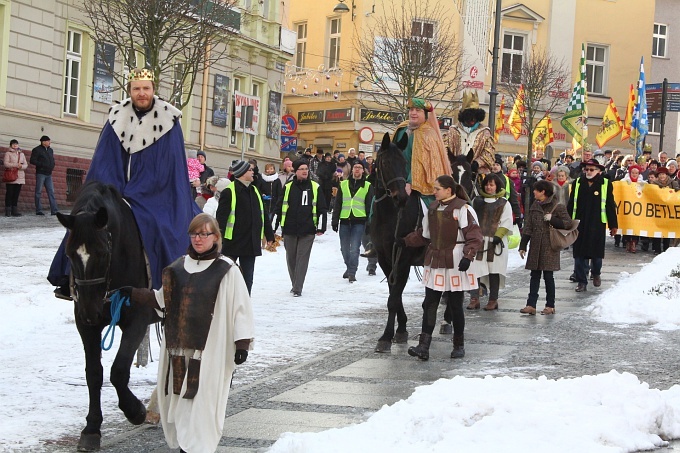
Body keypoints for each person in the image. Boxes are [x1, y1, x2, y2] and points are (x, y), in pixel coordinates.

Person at [48, 68, 201, 298]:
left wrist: (141, 190)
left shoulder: (169, 121)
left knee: (162, 227)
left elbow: (169, 167)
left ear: (153, 90)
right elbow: (104, 161)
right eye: (136, 89)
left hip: (155, 193)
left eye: (146, 88)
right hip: (117, 189)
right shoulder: (116, 118)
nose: (141, 93)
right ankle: (69, 280)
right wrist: (110, 193)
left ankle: (169, 285)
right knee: (85, 221)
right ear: (130, 91)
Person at [112, 213, 254, 453]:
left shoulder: (228, 270)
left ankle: (197, 448)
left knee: (203, 406)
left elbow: (241, 308)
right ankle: (186, 448)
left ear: (216, 237)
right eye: (194, 234)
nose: (198, 239)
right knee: (179, 404)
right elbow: (162, 300)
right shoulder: (177, 267)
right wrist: (133, 293)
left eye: (204, 234)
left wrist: (241, 344)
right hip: (178, 350)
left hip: (210, 352)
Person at [401, 175, 483, 360]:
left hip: (456, 259)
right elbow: (425, 234)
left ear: (449, 190)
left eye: (437, 188)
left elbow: (475, 235)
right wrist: (405, 241)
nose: (434, 192)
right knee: (430, 303)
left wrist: (468, 256)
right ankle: (423, 347)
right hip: (436, 259)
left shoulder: (463, 209)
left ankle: (458, 345)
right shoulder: (432, 208)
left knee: (455, 305)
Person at [216, 160, 274, 295]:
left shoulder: (254, 190)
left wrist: (269, 234)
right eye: (250, 170)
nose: (253, 172)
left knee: (248, 278)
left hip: (250, 242)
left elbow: (263, 214)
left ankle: (244, 305)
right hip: (232, 243)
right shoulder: (229, 192)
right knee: (227, 276)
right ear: (241, 173)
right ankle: (226, 303)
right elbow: (221, 219)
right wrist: (219, 239)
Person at [518, 180, 573, 315]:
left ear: (543, 192)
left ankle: (550, 305)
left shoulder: (557, 206)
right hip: (536, 245)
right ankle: (531, 305)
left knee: (548, 276)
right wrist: (523, 245)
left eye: (537, 190)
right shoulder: (535, 205)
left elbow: (568, 224)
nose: (534, 192)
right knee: (534, 275)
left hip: (550, 246)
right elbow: (529, 226)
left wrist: (553, 219)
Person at [276, 160, 328, 296]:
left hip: (308, 228)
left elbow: (322, 208)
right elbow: (279, 206)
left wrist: (321, 226)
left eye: (306, 169)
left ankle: (298, 287)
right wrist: (275, 226)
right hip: (290, 228)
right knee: (291, 258)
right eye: (302, 169)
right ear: (295, 171)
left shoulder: (315, 187)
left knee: (302, 258)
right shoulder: (288, 187)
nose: (305, 171)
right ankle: (295, 283)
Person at [567, 158, 618, 292]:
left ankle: (596, 273)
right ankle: (581, 281)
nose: (588, 172)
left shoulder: (605, 183)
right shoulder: (578, 182)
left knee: (596, 255)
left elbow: (609, 205)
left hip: (597, 224)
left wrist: (613, 225)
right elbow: (571, 203)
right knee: (578, 255)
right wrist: (567, 221)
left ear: (599, 171)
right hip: (579, 223)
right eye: (586, 169)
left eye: (592, 169)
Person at [392, 97, 451, 206]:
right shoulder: (401, 129)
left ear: (425, 115)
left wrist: (410, 182)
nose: (413, 113)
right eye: (411, 110)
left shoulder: (428, 135)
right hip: (396, 181)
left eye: (418, 110)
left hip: (420, 188)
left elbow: (426, 164)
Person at [467, 173, 513, 311]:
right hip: (479, 240)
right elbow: (472, 219)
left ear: (497, 186)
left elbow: (506, 221)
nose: (488, 187)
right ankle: (474, 298)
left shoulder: (504, 202)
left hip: (495, 242)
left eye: (492, 185)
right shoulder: (477, 201)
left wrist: (498, 236)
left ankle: (493, 299)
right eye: (487, 184)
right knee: (475, 270)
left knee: (494, 271)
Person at [332, 161, 374, 282]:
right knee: (344, 249)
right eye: (355, 167)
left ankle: (352, 273)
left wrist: (369, 223)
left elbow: (369, 206)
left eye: (359, 168)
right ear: (352, 170)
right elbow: (338, 203)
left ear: (363, 171)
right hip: (345, 219)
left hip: (359, 221)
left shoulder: (367, 186)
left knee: (354, 248)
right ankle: (349, 266)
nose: (357, 169)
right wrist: (335, 220)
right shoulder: (343, 184)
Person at [448, 91, 496, 183]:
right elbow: (445, 150)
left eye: (475, 117)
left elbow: (489, 153)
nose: (472, 120)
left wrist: (477, 163)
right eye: (469, 117)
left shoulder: (485, 132)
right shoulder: (453, 131)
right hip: (453, 172)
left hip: (476, 175)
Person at [30, 135, 59, 215]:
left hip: (49, 174)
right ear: (43, 142)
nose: (50, 142)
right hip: (41, 173)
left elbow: (52, 159)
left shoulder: (50, 150)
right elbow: (32, 160)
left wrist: (52, 165)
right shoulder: (37, 150)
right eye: (48, 141)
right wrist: (42, 164)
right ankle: (38, 210)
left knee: (51, 192)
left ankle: (54, 210)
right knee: (38, 192)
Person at [4, 139, 28, 217]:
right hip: (11, 176)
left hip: (20, 176)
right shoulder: (8, 153)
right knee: (9, 194)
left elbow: (26, 165)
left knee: (16, 194)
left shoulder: (22, 154)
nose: (15, 145)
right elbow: (6, 164)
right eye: (13, 144)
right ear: (11, 145)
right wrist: (16, 165)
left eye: (16, 144)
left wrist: (21, 166)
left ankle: (14, 211)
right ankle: (8, 211)